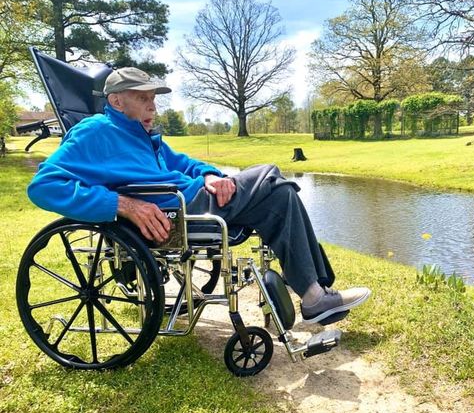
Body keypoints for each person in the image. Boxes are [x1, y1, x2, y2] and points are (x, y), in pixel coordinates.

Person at [27, 67, 370, 324]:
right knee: (269, 174)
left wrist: (211, 175)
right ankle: (315, 296)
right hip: (177, 210)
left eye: (154, 99)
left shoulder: (147, 136)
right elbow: (44, 186)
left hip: (194, 198)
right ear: (116, 101)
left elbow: (185, 162)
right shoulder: (94, 132)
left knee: (280, 196)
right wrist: (123, 205)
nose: (153, 107)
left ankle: (315, 295)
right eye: (143, 99)